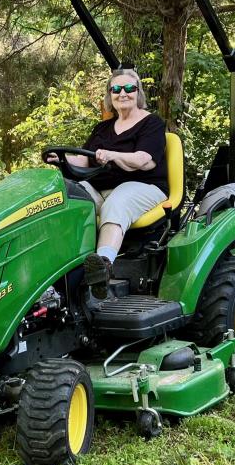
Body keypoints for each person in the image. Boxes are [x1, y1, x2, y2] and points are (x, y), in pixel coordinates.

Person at [46, 69, 168, 298]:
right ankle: (59, 269)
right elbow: (84, 159)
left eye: (129, 88)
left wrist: (112, 155)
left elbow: (145, 161)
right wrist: (61, 158)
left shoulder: (152, 123)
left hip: (143, 187)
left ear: (138, 93)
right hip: (100, 188)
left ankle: (102, 267)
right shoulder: (102, 128)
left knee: (118, 201)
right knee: (67, 195)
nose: (123, 93)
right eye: (116, 89)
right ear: (110, 95)